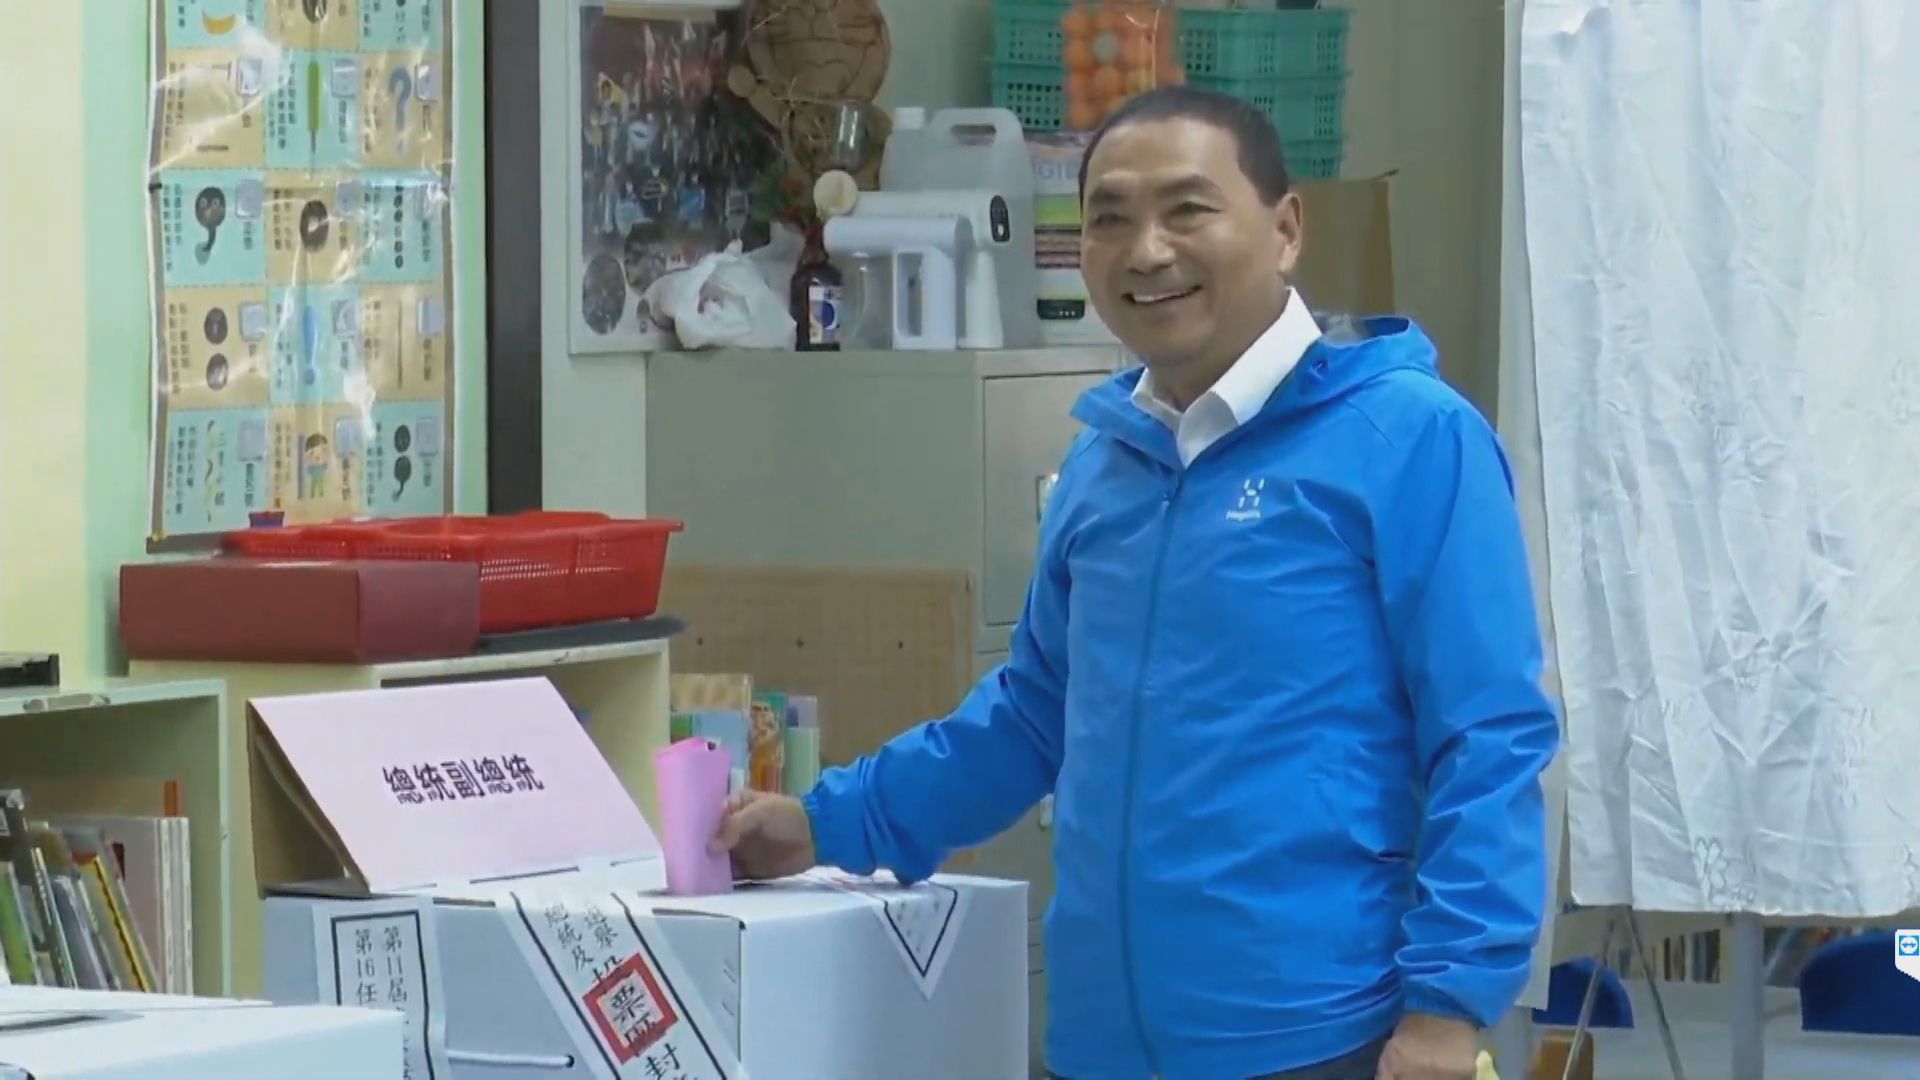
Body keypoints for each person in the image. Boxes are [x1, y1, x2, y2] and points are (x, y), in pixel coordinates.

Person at [712, 86, 1559, 1080]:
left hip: (1323, 1036)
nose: (1146, 251)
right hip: (1101, 1041)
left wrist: (1448, 1009)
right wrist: (826, 823)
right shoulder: (1105, 459)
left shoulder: (1409, 436)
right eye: (1109, 219)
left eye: (1188, 209)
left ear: (1286, 229)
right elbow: (1032, 716)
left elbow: (1487, 736)